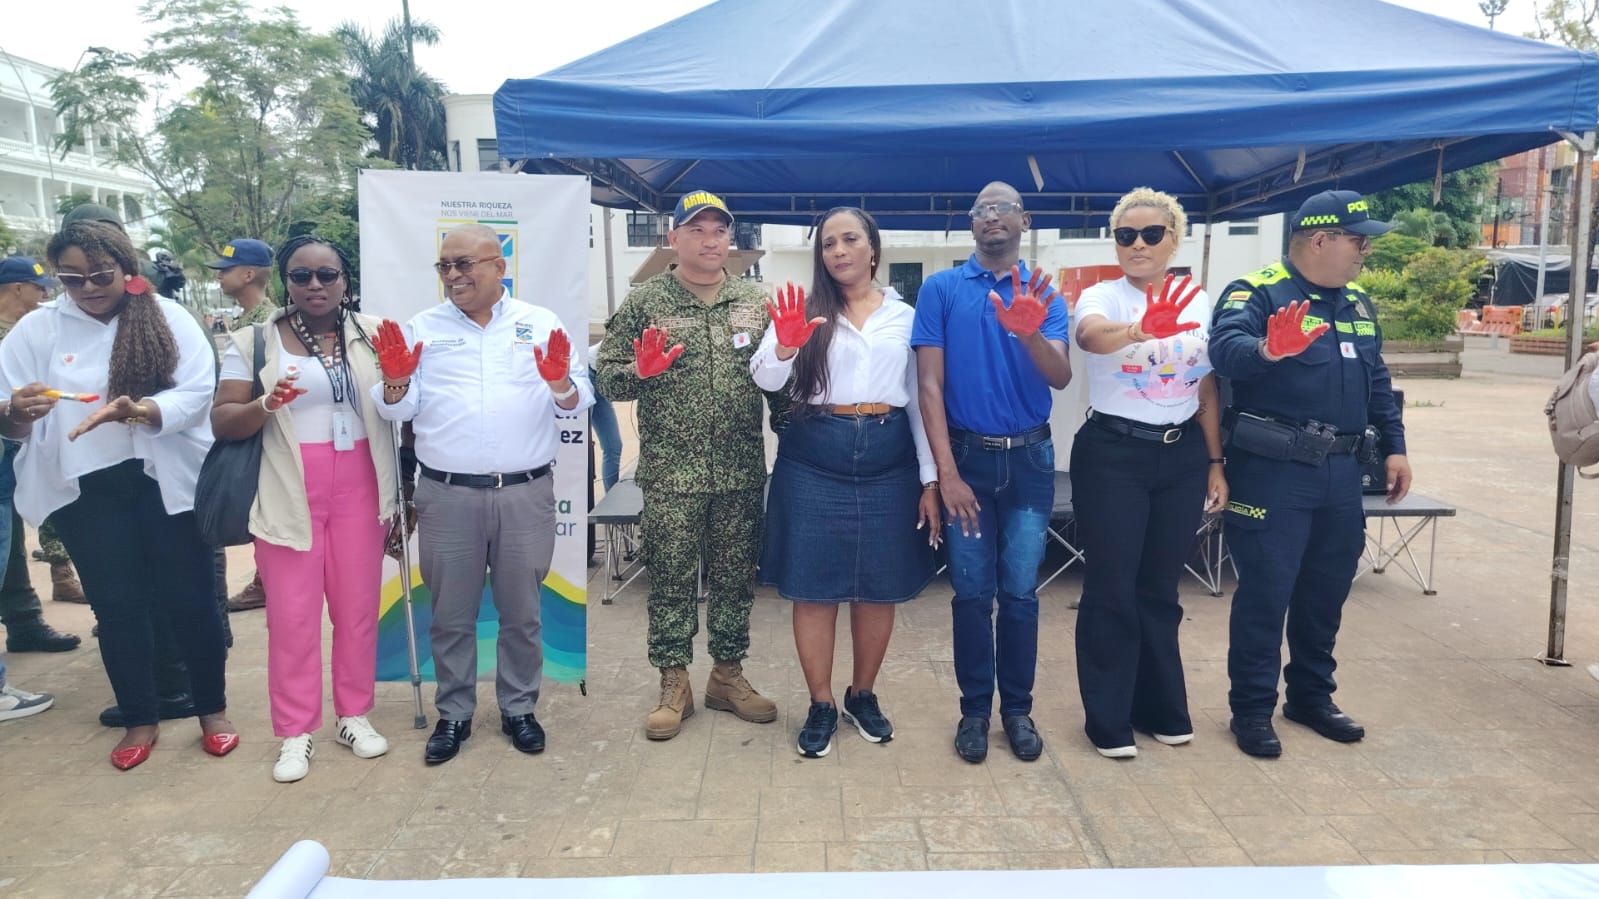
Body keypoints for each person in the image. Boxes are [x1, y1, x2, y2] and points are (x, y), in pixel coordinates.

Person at [0, 220, 235, 770]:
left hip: (164, 482)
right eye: (72, 279)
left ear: (126, 269)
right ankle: (139, 717)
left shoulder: (167, 317)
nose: (88, 289)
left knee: (192, 598)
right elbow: (8, 412)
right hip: (88, 492)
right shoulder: (37, 331)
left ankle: (213, 711)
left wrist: (145, 410)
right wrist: (16, 411)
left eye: (100, 275)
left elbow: (199, 392)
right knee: (118, 606)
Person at [372, 222, 592, 765]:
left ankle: (519, 708)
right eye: (445, 266)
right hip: (447, 497)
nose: (453, 276)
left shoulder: (539, 323)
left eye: (464, 264)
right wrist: (396, 381)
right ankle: (454, 714)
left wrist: (560, 382)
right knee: (450, 613)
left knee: (522, 611)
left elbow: (577, 399)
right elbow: (395, 410)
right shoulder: (423, 328)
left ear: (499, 266)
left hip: (524, 492)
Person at [1210, 189, 1410, 758]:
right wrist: (1269, 352)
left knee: (1326, 592)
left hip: (1342, 474)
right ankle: (1251, 709)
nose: (1365, 248)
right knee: (1266, 596)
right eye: (1357, 238)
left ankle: (1310, 697)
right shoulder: (1258, 291)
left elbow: (1377, 382)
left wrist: (1394, 447)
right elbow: (1225, 351)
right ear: (1320, 239)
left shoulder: (1359, 302)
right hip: (1274, 472)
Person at [594, 189, 783, 741]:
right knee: (672, 581)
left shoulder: (756, 301)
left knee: (733, 580)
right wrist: (641, 372)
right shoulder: (646, 302)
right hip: (671, 474)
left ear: (731, 239)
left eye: (719, 230)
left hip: (740, 470)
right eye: (697, 229)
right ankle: (674, 680)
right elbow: (606, 375)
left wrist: (796, 434)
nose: (710, 240)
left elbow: (779, 381)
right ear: (672, 238)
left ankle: (727, 676)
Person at [750, 207, 939, 758]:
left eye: (849, 239)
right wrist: (785, 346)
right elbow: (764, 375)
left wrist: (929, 478)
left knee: (877, 585)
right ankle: (820, 703)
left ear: (873, 249)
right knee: (814, 587)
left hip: (888, 457)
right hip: (814, 456)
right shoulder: (804, 312)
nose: (838, 251)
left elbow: (921, 401)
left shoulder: (905, 314)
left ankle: (863, 695)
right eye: (829, 243)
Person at [211, 235, 394, 782]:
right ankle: (295, 731)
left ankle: (354, 715)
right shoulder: (253, 342)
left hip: (361, 482)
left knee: (358, 609)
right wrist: (266, 403)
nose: (315, 285)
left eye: (326, 275)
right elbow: (222, 421)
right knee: (291, 616)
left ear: (345, 280)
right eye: (301, 276)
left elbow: (398, 409)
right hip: (288, 486)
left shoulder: (373, 334)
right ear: (284, 281)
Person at [911, 181, 1071, 764]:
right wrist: (945, 475)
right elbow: (928, 386)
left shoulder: (1045, 291)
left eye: (1002, 208)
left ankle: (1018, 710)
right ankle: (975, 710)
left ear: (1023, 221)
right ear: (971, 226)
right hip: (968, 461)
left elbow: (1060, 377)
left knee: (1021, 592)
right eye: (980, 211)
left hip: (1030, 460)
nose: (991, 217)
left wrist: (1028, 330)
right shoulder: (942, 289)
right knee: (972, 593)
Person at [1069, 188, 1227, 759]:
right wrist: (1140, 331)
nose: (1138, 245)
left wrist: (1215, 462)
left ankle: (1158, 706)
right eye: (1126, 235)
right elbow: (1090, 338)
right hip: (1114, 453)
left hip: (1181, 455)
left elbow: (1205, 385)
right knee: (1112, 587)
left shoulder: (1199, 299)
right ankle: (1107, 717)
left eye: (1151, 234)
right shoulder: (1101, 296)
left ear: (1173, 239)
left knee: (1160, 588)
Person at [0, 257, 81, 653]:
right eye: (37, 287)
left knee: (11, 540)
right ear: (16, 288)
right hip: (8, 439)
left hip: (18, 447)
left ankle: (24, 621)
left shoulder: (29, 330)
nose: (44, 294)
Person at [209, 237, 280, 614]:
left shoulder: (268, 322)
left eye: (226, 269)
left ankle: (265, 580)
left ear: (249, 274)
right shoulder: (242, 321)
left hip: (265, 431)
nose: (220, 276)